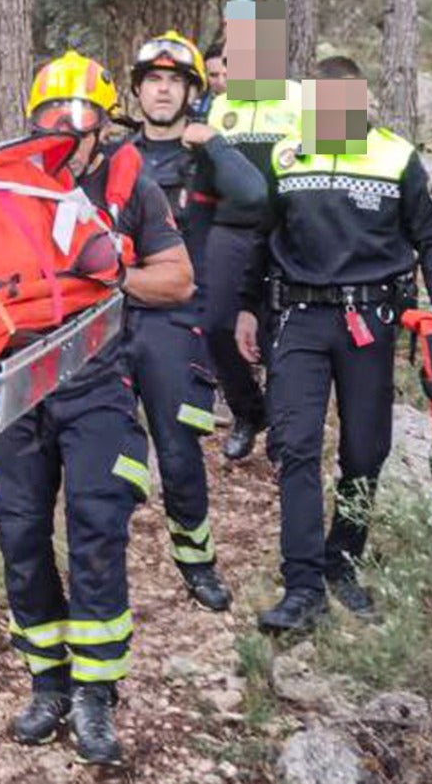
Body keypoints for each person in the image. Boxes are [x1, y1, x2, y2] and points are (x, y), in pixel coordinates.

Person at [0, 51, 193, 766]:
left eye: (81, 114)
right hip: (14, 388)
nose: (67, 127)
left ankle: (97, 694)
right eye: (52, 114)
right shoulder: (2, 186)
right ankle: (48, 682)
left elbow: (179, 279)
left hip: (97, 383)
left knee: (98, 530)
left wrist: (118, 276)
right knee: (20, 536)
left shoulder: (131, 183)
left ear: (105, 120)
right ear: (31, 119)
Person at [237, 55, 432, 633]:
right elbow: (260, 240)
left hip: (370, 321)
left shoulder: (395, 156)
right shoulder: (285, 157)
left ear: (361, 103)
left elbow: (431, 236)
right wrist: (244, 309)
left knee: (365, 450)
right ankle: (303, 586)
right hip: (299, 319)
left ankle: (342, 562)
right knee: (297, 448)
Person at [124, 30, 267, 611]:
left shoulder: (204, 156)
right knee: (105, 454)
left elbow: (256, 197)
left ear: (191, 91)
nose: (162, 91)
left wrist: (216, 146)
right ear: (137, 91)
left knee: (180, 454)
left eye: (174, 82)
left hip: (178, 323)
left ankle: (197, 561)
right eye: (153, 81)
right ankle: (105, 568)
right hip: (110, 319)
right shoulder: (116, 155)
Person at [205, 0, 301, 461]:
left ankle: (285, 432)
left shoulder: (303, 100)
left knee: (281, 335)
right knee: (216, 326)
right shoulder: (219, 107)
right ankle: (248, 409)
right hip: (231, 230)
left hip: (287, 233)